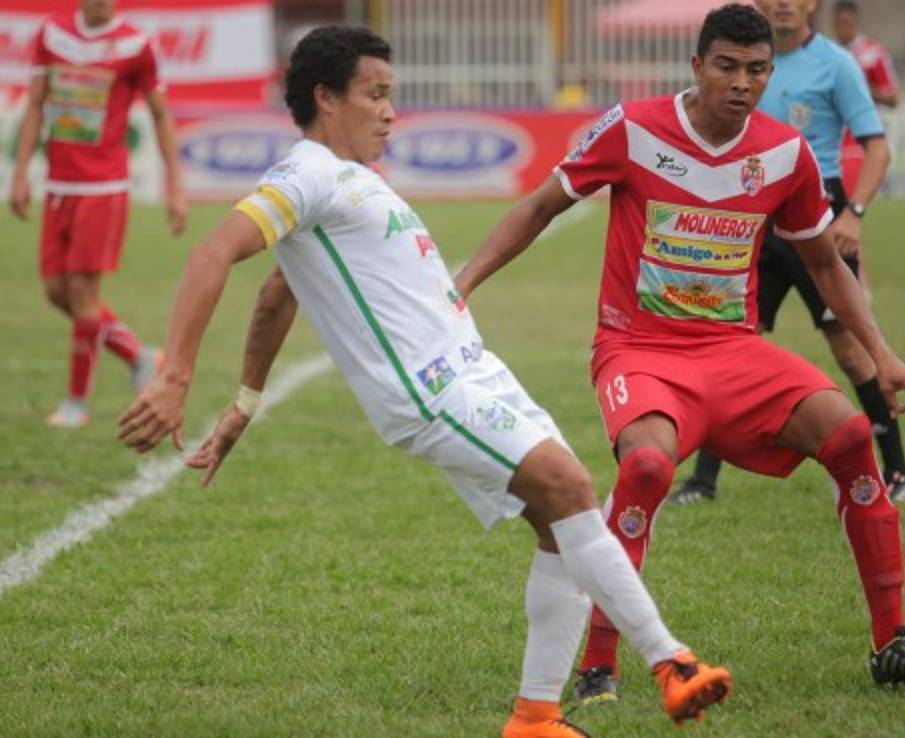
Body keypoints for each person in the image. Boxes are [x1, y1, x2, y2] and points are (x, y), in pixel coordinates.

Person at [115, 26, 731, 737]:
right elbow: (214, 252)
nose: (390, 112)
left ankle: (536, 717)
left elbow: (277, 295)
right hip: (430, 389)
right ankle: (672, 663)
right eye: (375, 95)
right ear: (325, 97)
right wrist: (174, 378)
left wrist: (247, 402)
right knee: (572, 490)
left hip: (475, 371)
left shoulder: (352, 180)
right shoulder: (306, 173)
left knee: (560, 523)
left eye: (392, 96)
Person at [454, 2, 905, 707]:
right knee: (648, 466)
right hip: (640, 351)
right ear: (697, 66)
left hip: (735, 352)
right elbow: (541, 206)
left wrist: (885, 355)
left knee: (850, 436)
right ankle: (599, 666)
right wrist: (462, 286)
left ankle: (894, 642)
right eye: (726, 66)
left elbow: (825, 265)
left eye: (757, 70)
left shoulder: (784, 152)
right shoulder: (632, 129)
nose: (742, 82)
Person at [671, 0, 905, 507]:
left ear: (812, 4)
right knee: (724, 345)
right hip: (748, 215)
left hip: (815, 214)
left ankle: (899, 472)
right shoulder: (743, 60)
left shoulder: (837, 64)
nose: (783, 4)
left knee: (852, 349)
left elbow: (878, 147)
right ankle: (702, 482)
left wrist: (852, 213)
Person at [8, 0, 188, 428]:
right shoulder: (52, 34)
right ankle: (138, 355)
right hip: (59, 184)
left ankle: (76, 404)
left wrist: (174, 186)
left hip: (104, 187)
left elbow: (161, 116)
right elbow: (35, 104)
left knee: (83, 292)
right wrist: (20, 174)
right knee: (56, 291)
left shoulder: (135, 45)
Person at [832, 0, 899, 201]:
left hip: (859, 140)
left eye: (848, 23)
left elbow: (894, 98)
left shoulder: (873, 53)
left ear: (856, 22)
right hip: (831, 141)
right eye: (840, 23)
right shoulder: (827, 54)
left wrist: (861, 90)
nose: (844, 28)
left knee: (851, 205)